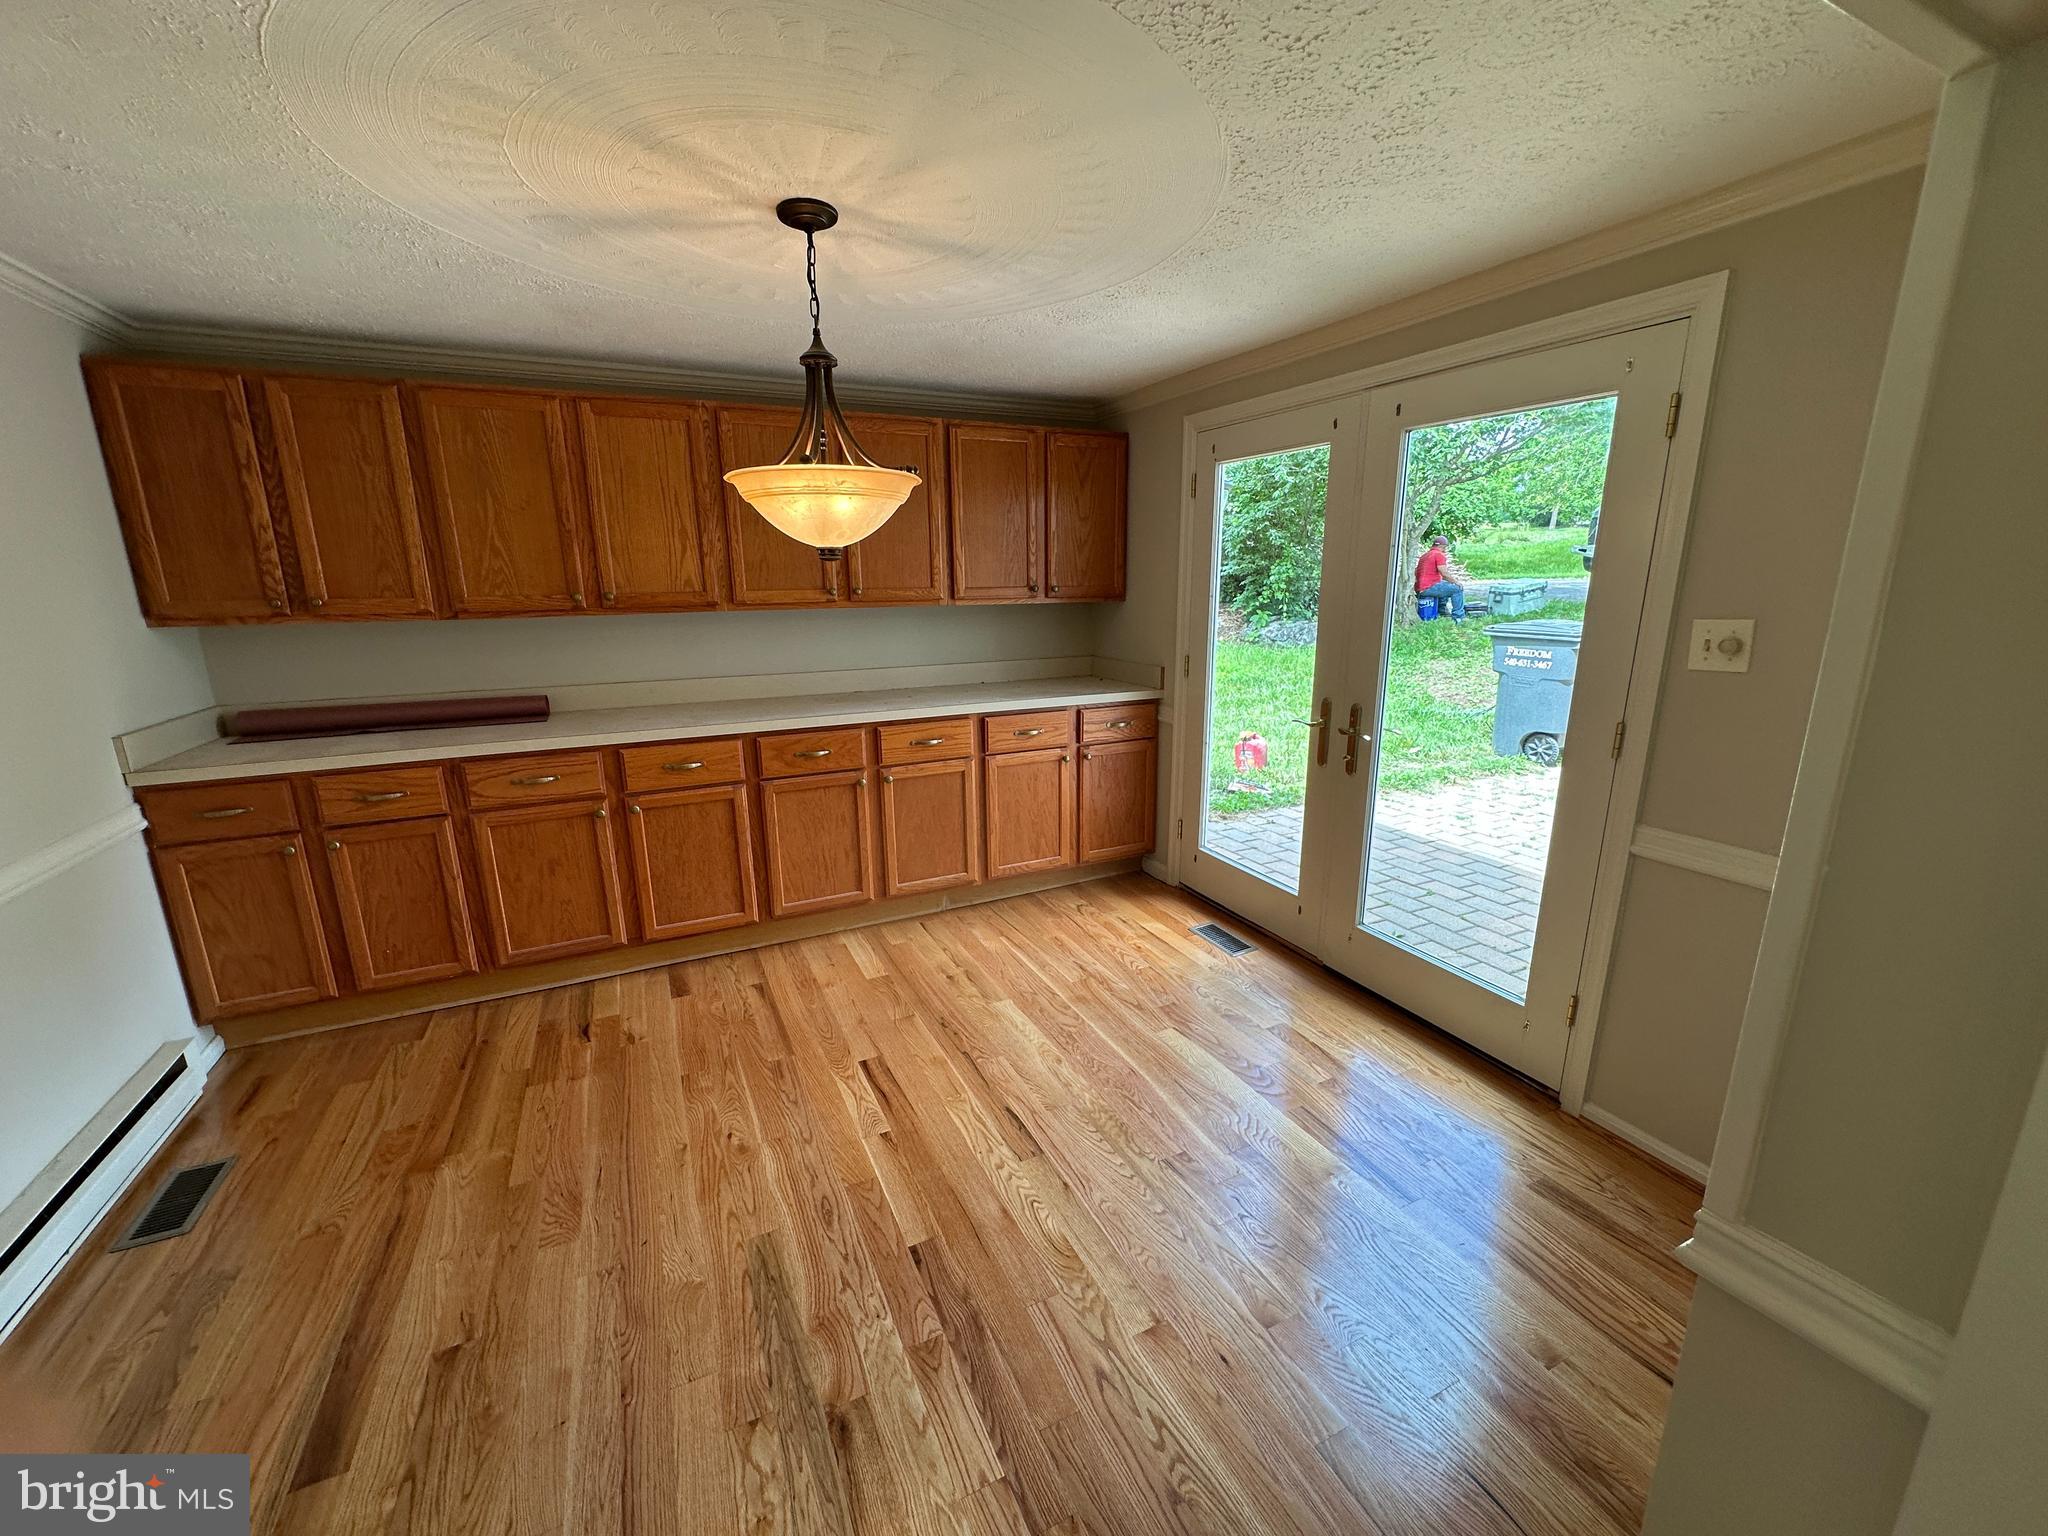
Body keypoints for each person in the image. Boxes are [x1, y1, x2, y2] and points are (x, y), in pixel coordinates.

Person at [1414, 534, 1467, 620]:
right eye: (1445, 548)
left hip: (1420, 588)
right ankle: (1459, 616)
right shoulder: (1438, 554)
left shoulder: (1425, 556)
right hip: (1428, 587)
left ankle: (1442, 611)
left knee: (1446, 585)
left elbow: (1416, 571)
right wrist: (1456, 582)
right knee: (1457, 589)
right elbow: (1444, 573)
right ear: (1443, 546)